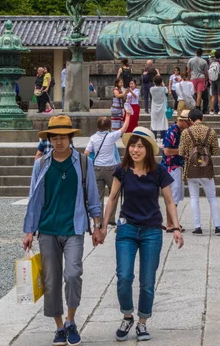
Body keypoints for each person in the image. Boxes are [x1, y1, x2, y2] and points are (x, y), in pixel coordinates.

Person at [23, 115, 103, 346]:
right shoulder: (41, 164)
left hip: (73, 227)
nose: (59, 142)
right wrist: (29, 230)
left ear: (70, 138)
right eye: (54, 138)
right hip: (47, 228)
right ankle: (59, 326)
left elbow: (93, 198)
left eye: (63, 137)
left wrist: (97, 226)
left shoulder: (83, 162)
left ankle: (71, 320)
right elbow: (34, 199)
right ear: (49, 140)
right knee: (51, 279)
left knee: (73, 273)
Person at [101, 127, 184, 342]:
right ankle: (127, 315)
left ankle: (142, 322)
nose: (135, 150)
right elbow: (112, 198)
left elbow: (168, 201)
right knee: (124, 276)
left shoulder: (158, 171)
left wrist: (175, 227)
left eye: (140, 146)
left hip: (152, 230)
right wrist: (102, 225)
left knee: (147, 280)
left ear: (147, 149)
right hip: (127, 228)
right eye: (132, 145)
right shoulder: (122, 170)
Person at [179, 108, 220, 236]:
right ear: (202, 117)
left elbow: (181, 152)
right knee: (212, 197)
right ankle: (217, 226)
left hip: (191, 168)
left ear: (190, 119)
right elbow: (215, 151)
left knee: (194, 198)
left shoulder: (185, 132)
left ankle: (197, 227)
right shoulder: (210, 131)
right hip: (206, 168)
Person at [84, 114, 131, 225]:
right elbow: (124, 129)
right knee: (114, 193)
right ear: (109, 126)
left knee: (98, 195)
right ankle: (110, 218)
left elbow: (86, 153)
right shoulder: (111, 136)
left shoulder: (93, 138)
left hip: (97, 168)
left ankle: (99, 220)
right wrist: (128, 116)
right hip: (111, 168)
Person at [161, 110, 192, 231]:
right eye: (188, 123)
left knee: (175, 196)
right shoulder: (172, 132)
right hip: (171, 167)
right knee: (173, 196)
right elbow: (167, 151)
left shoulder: (179, 131)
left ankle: (172, 222)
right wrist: (182, 151)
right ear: (182, 121)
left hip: (176, 166)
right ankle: (171, 224)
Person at [150, 75, 168, 141]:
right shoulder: (164, 89)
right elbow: (167, 92)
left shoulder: (152, 89)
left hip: (154, 108)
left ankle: (154, 136)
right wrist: (163, 84)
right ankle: (162, 137)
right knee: (162, 122)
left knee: (154, 122)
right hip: (162, 108)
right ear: (161, 82)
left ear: (154, 82)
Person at [209, 50, 220, 115]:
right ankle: (219, 110)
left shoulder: (211, 63)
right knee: (219, 96)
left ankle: (211, 110)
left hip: (213, 80)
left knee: (213, 96)